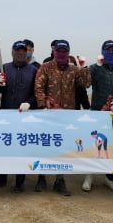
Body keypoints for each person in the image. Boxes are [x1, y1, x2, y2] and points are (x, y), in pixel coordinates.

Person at [33, 39, 92, 196]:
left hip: (67, 114)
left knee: (62, 147)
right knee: (45, 145)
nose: (61, 53)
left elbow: (86, 84)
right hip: (48, 114)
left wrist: (83, 67)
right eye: (59, 50)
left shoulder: (74, 70)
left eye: (64, 51)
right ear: (54, 51)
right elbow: (38, 88)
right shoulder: (45, 67)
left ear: (68, 52)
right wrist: (43, 105)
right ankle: (41, 177)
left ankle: (60, 180)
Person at [0, 40, 39, 192]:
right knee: (4, 147)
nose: (21, 53)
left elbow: (37, 93)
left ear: (27, 53)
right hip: (6, 114)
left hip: (24, 114)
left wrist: (29, 103)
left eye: (24, 51)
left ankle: (19, 181)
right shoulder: (4, 68)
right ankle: (1, 178)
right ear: (12, 52)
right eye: (18, 51)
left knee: (22, 148)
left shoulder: (34, 70)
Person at [84, 39, 113, 192]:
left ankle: (108, 177)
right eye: (108, 50)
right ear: (103, 51)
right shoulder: (95, 67)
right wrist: (97, 66)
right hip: (98, 112)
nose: (111, 52)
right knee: (94, 146)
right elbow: (86, 82)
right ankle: (89, 176)